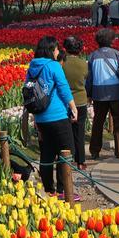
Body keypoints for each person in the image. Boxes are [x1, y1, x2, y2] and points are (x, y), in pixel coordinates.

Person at [26, 36, 78, 199]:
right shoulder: (54, 66)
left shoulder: (32, 66)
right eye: (56, 49)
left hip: (41, 117)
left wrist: (34, 116)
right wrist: (73, 107)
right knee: (67, 151)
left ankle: (49, 188)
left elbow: (30, 92)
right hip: (57, 115)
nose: (58, 52)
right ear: (50, 50)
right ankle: (64, 190)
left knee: (47, 153)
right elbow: (63, 89)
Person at [86, 28, 119, 159]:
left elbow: (89, 78)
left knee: (98, 122)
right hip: (116, 93)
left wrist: (89, 94)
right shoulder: (118, 55)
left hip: (98, 93)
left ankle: (95, 151)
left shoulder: (92, 56)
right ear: (111, 41)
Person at [62, 36, 89, 171]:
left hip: (64, 101)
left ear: (65, 48)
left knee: (66, 132)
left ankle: (67, 159)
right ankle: (81, 161)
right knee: (80, 132)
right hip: (80, 101)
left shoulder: (62, 64)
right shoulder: (83, 63)